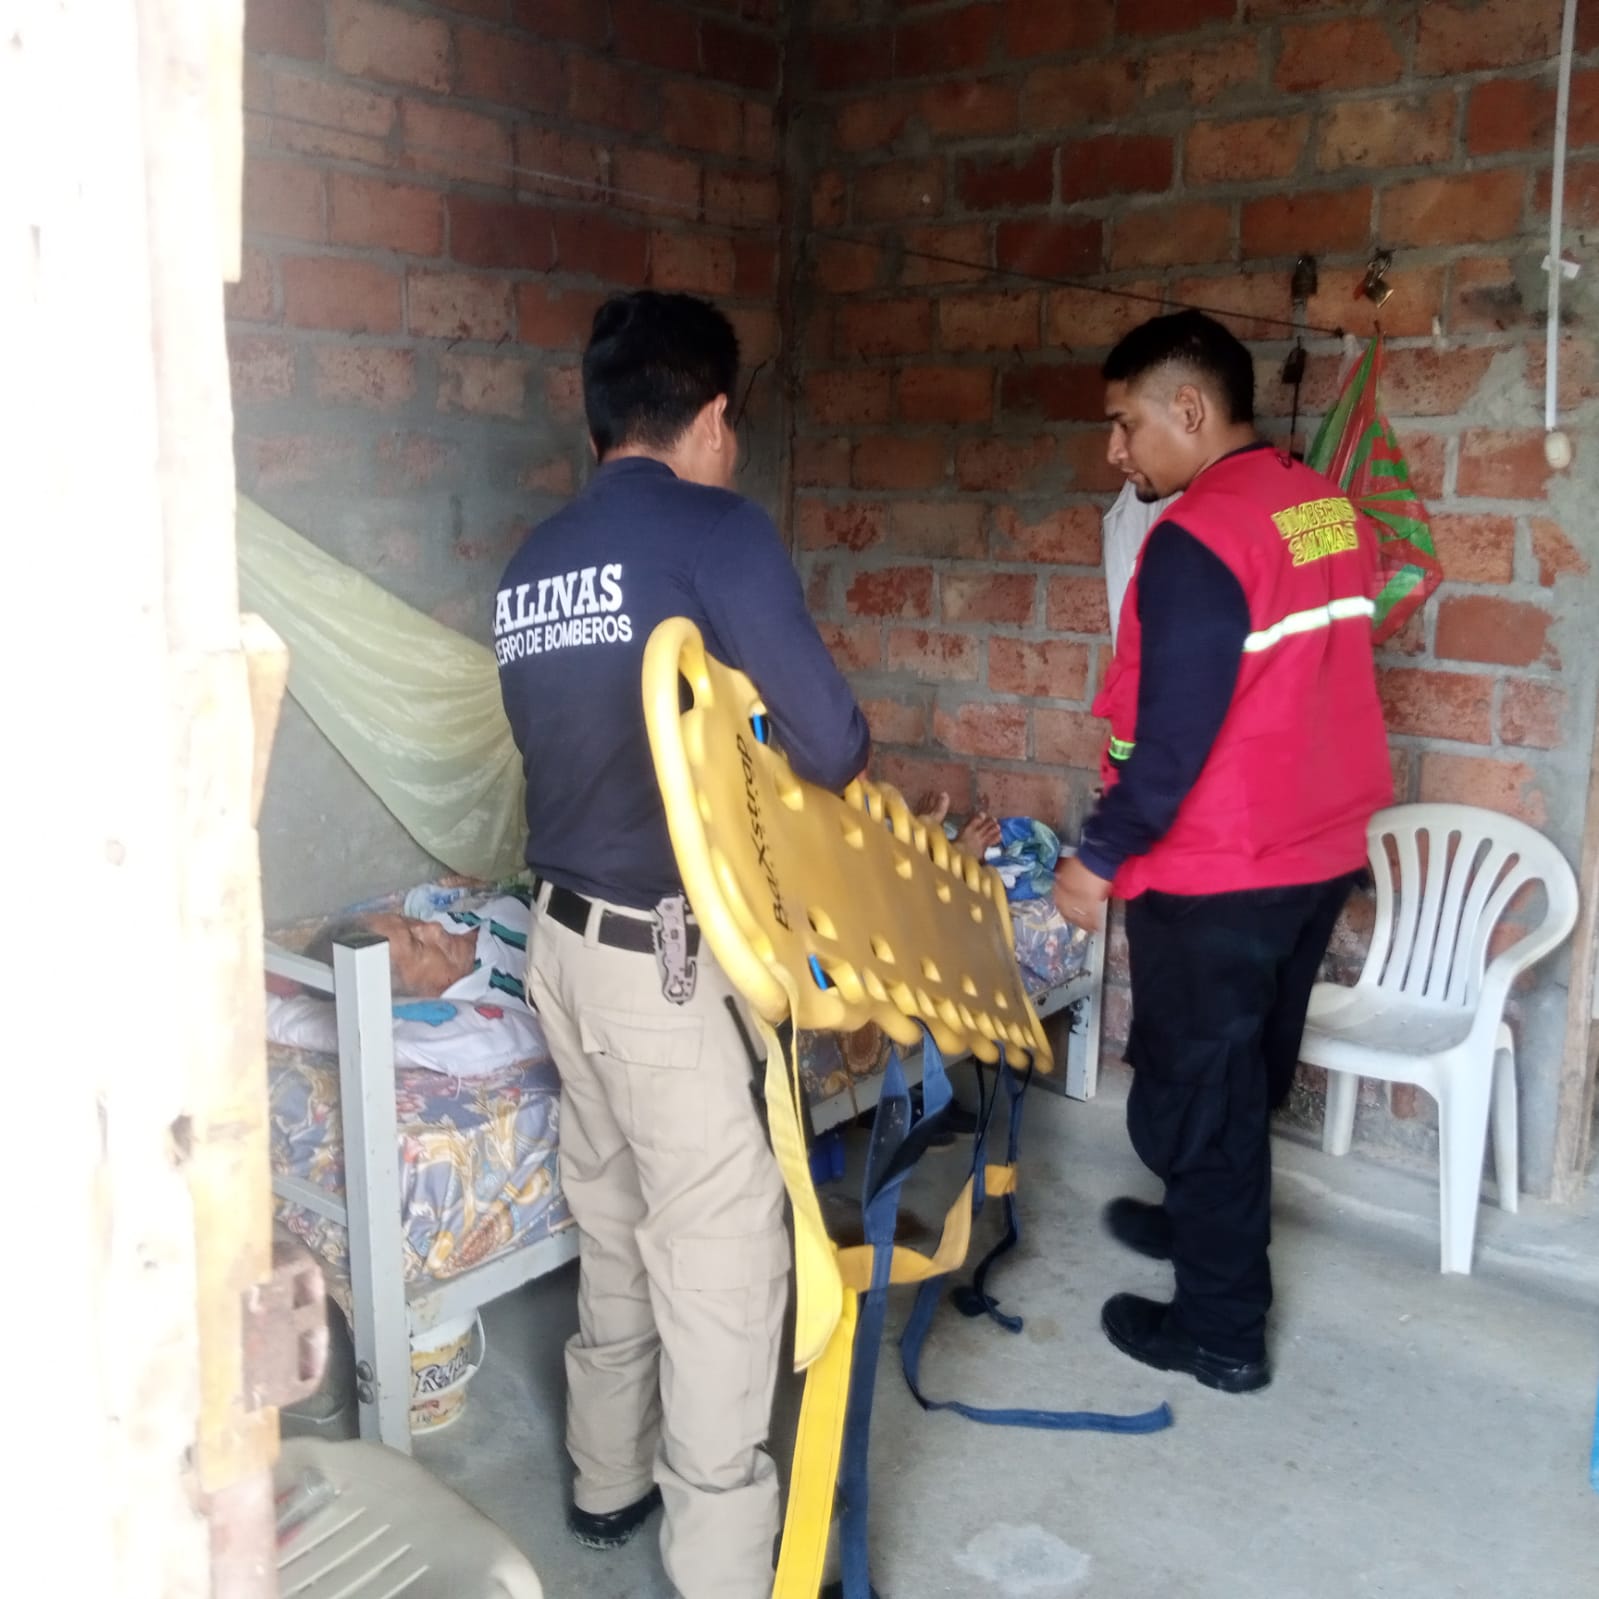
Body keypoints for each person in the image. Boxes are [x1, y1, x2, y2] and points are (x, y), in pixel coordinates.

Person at [494, 291, 870, 1597]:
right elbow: (831, 743)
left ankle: (605, 1478)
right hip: (661, 958)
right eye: (734, 426)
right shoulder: (719, 530)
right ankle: (722, 1561)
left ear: (600, 415)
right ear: (712, 417)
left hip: (559, 944)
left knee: (610, 1215)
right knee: (718, 1249)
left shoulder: (532, 560)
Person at [1052, 311, 1391, 1395]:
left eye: (1126, 424)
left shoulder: (1195, 538)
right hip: (1316, 847)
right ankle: (1203, 1222)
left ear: (1190, 410)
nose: (1117, 452)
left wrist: (1098, 855)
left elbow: (1169, 736)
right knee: (1245, 1069)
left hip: (1222, 864)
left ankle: (1220, 1331)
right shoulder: (1325, 507)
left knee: (1199, 1088)